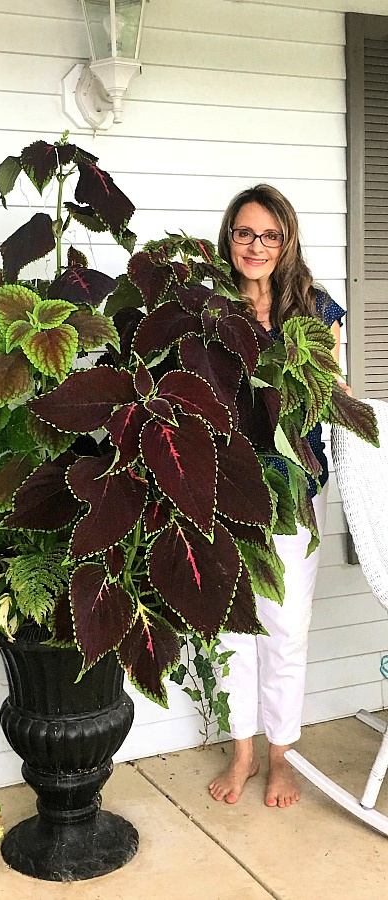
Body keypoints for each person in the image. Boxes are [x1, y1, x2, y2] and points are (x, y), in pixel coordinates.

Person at [208, 184, 351, 809]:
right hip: (222, 489)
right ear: (230, 239)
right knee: (232, 627)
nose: (256, 246)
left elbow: (332, 396)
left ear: (286, 240)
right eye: (245, 234)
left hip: (293, 487)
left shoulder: (316, 312)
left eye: (269, 235)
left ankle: (280, 756)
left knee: (285, 627)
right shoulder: (209, 310)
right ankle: (241, 752)